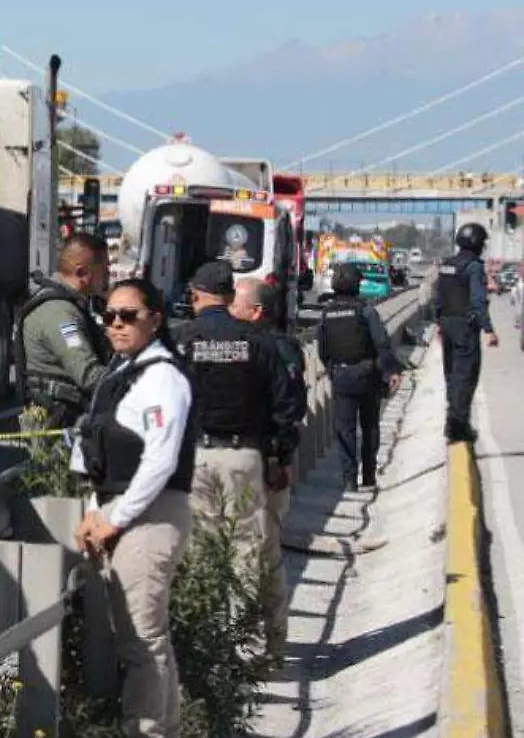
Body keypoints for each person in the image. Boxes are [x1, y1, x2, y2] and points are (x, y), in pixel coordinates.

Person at [72, 278, 195, 738]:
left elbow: (159, 462)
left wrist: (114, 518)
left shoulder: (163, 379)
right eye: (109, 315)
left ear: (156, 319)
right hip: (120, 511)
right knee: (152, 642)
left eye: (129, 314)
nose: (116, 323)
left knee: (142, 645)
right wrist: (91, 511)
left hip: (147, 515)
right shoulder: (123, 373)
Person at [173, 261, 297, 621]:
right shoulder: (258, 342)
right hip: (246, 457)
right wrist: (280, 455)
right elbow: (285, 405)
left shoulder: (182, 340)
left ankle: (212, 650)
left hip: (195, 459)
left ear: (195, 295)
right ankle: (248, 649)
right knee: (247, 552)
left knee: (201, 551)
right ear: (228, 296)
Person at [231, 278, 307, 663]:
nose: (229, 308)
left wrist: (279, 458)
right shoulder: (255, 346)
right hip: (249, 463)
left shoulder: (276, 350)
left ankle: (268, 643)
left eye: (236, 303)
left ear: (256, 311)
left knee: (264, 555)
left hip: (267, 466)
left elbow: (289, 411)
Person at [318, 265, 406, 490]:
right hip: (367, 375)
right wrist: (392, 370)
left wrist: (334, 369)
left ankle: (349, 479)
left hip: (341, 375)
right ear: (357, 285)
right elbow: (382, 343)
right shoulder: (365, 310)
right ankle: (369, 476)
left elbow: (323, 350)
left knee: (345, 429)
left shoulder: (327, 314)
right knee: (370, 426)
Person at [16, 233, 111, 427]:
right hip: (59, 424)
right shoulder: (61, 316)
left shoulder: (69, 306)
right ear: (82, 272)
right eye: (103, 267)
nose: (109, 273)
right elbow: (88, 374)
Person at [433, 223, 496, 442]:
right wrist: (488, 329)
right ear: (477, 243)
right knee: (466, 377)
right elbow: (478, 301)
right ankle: (457, 427)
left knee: (451, 375)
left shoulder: (447, 265)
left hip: (448, 324)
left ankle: (454, 422)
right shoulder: (474, 267)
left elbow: (438, 297)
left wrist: (439, 324)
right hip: (464, 328)